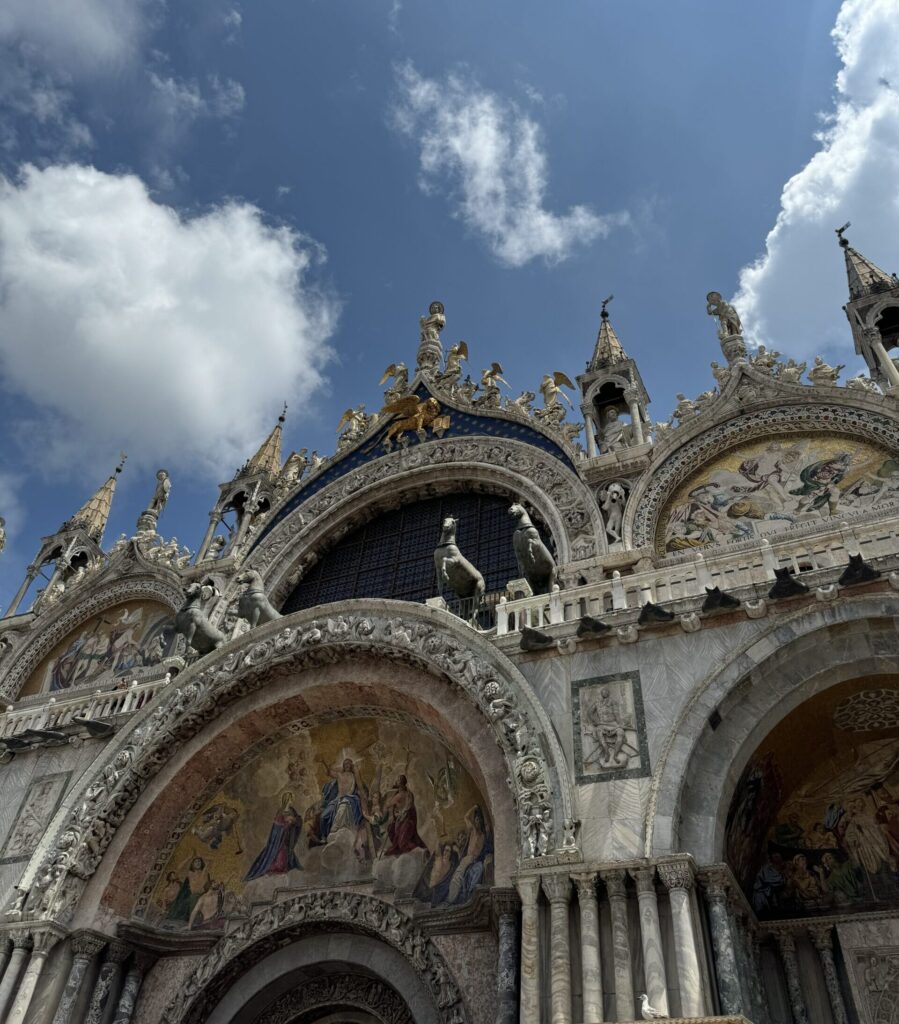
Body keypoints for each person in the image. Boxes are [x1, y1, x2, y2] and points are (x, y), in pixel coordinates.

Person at [244, 791, 303, 880]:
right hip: (280, 838)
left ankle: (284, 866)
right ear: (286, 800)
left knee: (287, 853)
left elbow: (298, 820)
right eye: (290, 800)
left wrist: (294, 820)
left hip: (288, 837)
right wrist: (285, 823)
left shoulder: (292, 810)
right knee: (280, 854)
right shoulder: (280, 811)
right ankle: (275, 867)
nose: (292, 802)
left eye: (292, 800)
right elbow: (276, 827)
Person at [381, 775, 427, 856]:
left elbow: (388, 805)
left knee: (403, 843)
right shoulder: (409, 793)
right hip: (408, 820)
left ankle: (421, 852)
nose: (396, 782)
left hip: (405, 821)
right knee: (392, 829)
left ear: (399, 783)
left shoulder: (400, 795)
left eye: (397, 781)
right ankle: (415, 851)